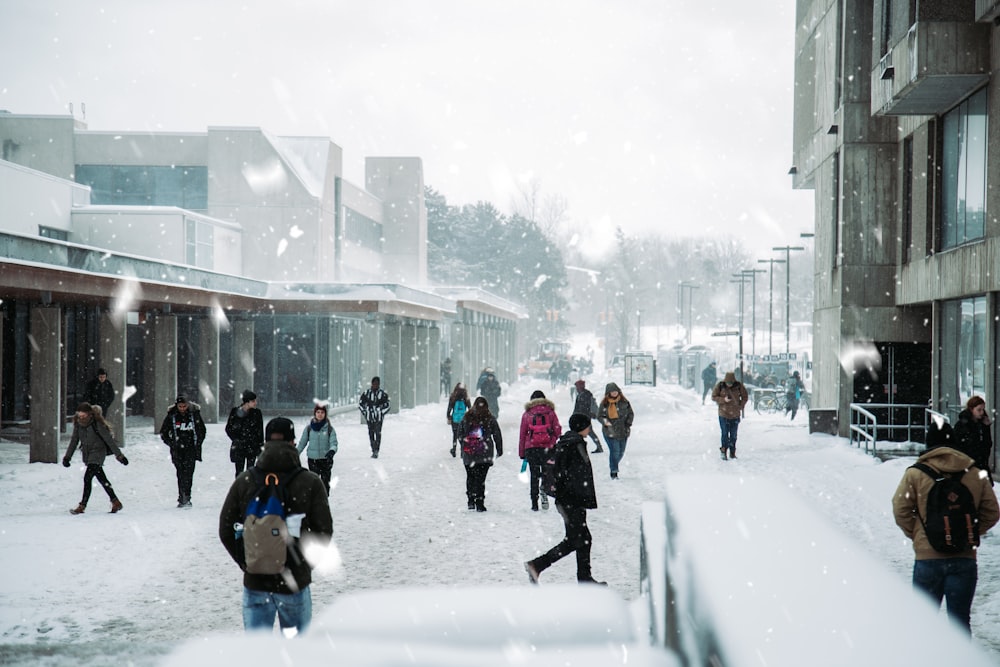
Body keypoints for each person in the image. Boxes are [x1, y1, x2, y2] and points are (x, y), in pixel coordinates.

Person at [218, 417, 333, 636]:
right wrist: (304, 565)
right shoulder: (310, 482)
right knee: (295, 653)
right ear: (292, 442)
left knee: (257, 655)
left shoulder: (245, 480)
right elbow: (324, 531)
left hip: (255, 582)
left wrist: (247, 560)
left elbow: (225, 529)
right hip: (294, 583)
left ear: (265, 443)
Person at [892, 420, 999, 633]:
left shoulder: (915, 474)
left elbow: (900, 508)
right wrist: (970, 532)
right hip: (964, 557)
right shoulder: (975, 472)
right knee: (960, 623)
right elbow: (992, 511)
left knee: (923, 623)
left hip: (927, 559)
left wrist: (918, 534)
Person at [524, 413, 605, 585]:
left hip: (568, 499)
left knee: (583, 539)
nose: (589, 429)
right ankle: (537, 565)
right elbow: (576, 475)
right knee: (575, 540)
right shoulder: (574, 445)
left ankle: (584, 578)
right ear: (582, 427)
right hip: (572, 500)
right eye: (588, 426)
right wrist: (580, 498)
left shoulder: (569, 442)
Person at [63, 402, 128, 514]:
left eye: (84, 415)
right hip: (88, 454)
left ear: (89, 414)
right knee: (102, 479)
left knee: (87, 478)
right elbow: (74, 441)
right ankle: (115, 501)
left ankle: (82, 506)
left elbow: (109, 440)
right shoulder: (78, 425)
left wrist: (120, 456)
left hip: (98, 453)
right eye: (80, 415)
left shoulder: (96, 424)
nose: (81, 417)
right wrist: (67, 457)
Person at [159, 395, 206, 508]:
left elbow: (202, 430)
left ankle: (187, 496)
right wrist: (172, 443)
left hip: (191, 449)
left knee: (189, 473)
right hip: (177, 450)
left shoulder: (194, 415)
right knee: (180, 473)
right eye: (180, 406)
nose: (182, 409)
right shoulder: (172, 416)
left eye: (184, 406)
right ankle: (182, 496)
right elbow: (164, 432)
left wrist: (197, 443)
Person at [519, 390, 562, 511]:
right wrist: (552, 441)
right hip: (547, 448)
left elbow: (522, 434)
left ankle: (534, 502)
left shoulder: (527, 413)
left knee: (534, 475)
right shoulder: (550, 412)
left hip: (531, 449)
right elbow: (557, 430)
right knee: (547, 472)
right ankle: (544, 489)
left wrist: (522, 452)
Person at [459, 396, 502, 512]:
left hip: (469, 454)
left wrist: (464, 445)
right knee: (480, 479)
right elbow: (497, 434)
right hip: (485, 453)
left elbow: (460, 433)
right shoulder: (490, 418)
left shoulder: (467, 418)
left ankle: (471, 500)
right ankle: (480, 502)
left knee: (470, 477)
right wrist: (499, 449)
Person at [297, 403, 338, 496]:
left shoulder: (330, 429)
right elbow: (302, 443)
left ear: (325, 414)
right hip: (313, 460)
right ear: (315, 413)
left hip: (326, 460)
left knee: (325, 485)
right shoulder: (309, 428)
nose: (320, 414)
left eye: (322, 412)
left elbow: (334, 443)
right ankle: (314, 505)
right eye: (318, 412)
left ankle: (324, 503)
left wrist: (332, 451)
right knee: (314, 484)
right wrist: (295, 453)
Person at [596, 382, 634, 479]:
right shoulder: (605, 404)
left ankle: (614, 464)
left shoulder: (624, 402)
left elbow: (630, 413)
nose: (614, 393)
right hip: (610, 431)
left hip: (623, 430)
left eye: (615, 391)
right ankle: (614, 471)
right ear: (608, 393)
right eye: (612, 391)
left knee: (621, 452)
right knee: (615, 451)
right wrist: (606, 422)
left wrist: (628, 423)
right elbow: (599, 416)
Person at [954, 396, 994, 485]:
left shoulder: (982, 425)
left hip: (981, 464)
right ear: (971, 409)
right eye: (979, 410)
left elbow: (987, 444)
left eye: (983, 410)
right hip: (968, 465)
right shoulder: (963, 425)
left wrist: (986, 428)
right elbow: (959, 445)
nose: (982, 412)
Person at [226, 389, 264, 477]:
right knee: (239, 472)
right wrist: (236, 439)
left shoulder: (257, 413)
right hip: (240, 447)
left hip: (252, 446)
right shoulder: (235, 412)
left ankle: (249, 489)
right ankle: (240, 489)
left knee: (251, 472)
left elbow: (260, 432)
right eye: (253, 401)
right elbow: (228, 428)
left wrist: (260, 446)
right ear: (247, 402)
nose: (255, 403)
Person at [712, 371, 748, 461]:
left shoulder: (739, 386)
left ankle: (732, 452)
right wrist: (723, 400)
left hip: (735, 414)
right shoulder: (720, 386)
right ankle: (723, 451)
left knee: (733, 435)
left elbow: (745, 396)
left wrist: (741, 405)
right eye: (728, 383)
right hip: (723, 414)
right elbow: (714, 396)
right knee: (724, 433)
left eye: (731, 383)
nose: (729, 385)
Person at [358, 376, 390, 458]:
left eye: (377, 384)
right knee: (371, 433)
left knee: (378, 433)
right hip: (370, 417)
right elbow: (360, 404)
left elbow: (387, 406)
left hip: (378, 418)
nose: (376, 385)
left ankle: (376, 450)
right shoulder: (366, 394)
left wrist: (381, 412)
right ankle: (373, 449)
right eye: (374, 383)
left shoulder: (382, 394)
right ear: (372, 384)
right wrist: (366, 412)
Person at [573, 379, 602, 453]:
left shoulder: (585, 394)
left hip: (584, 417)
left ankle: (579, 449)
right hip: (581, 417)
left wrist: (580, 415)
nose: (576, 388)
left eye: (577, 387)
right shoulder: (581, 394)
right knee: (586, 432)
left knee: (586, 432)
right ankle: (597, 447)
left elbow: (584, 407)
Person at [446, 382, 471, 458]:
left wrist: (448, 416)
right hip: (463, 420)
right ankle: (463, 450)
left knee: (455, 434)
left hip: (455, 419)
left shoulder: (453, 396)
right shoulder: (466, 398)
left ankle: (454, 449)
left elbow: (449, 408)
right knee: (463, 435)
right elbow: (470, 408)